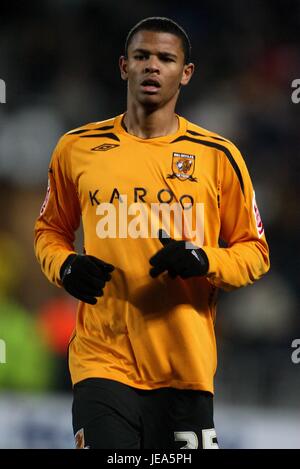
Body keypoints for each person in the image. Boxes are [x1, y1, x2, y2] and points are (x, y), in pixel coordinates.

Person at [34, 17, 270, 449]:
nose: (153, 67)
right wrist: (65, 266)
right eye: (142, 56)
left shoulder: (218, 156)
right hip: (101, 363)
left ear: (186, 72)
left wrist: (204, 259)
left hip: (185, 369)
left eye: (166, 58)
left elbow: (255, 252)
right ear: (124, 66)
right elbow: (50, 230)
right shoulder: (77, 148)